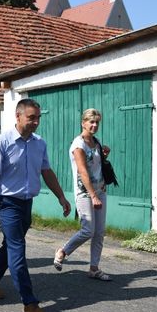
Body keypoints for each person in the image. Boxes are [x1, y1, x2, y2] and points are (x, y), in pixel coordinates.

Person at [0, 98, 71, 312]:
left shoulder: (39, 143)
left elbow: (46, 172)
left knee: (10, 244)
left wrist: (61, 196)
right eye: (31, 118)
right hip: (7, 203)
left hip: (27, 203)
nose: (36, 122)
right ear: (18, 117)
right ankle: (29, 302)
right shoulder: (0, 142)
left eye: (38, 118)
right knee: (18, 249)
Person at [52, 109, 112, 281]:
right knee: (88, 230)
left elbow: (95, 165)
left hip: (101, 189)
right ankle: (63, 251)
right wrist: (93, 195)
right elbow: (83, 172)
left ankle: (94, 268)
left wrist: (103, 154)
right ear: (83, 123)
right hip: (85, 193)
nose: (94, 125)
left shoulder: (96, 142)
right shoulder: (78, 145)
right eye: (91, 122)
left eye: (97, 122)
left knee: (99, 232)